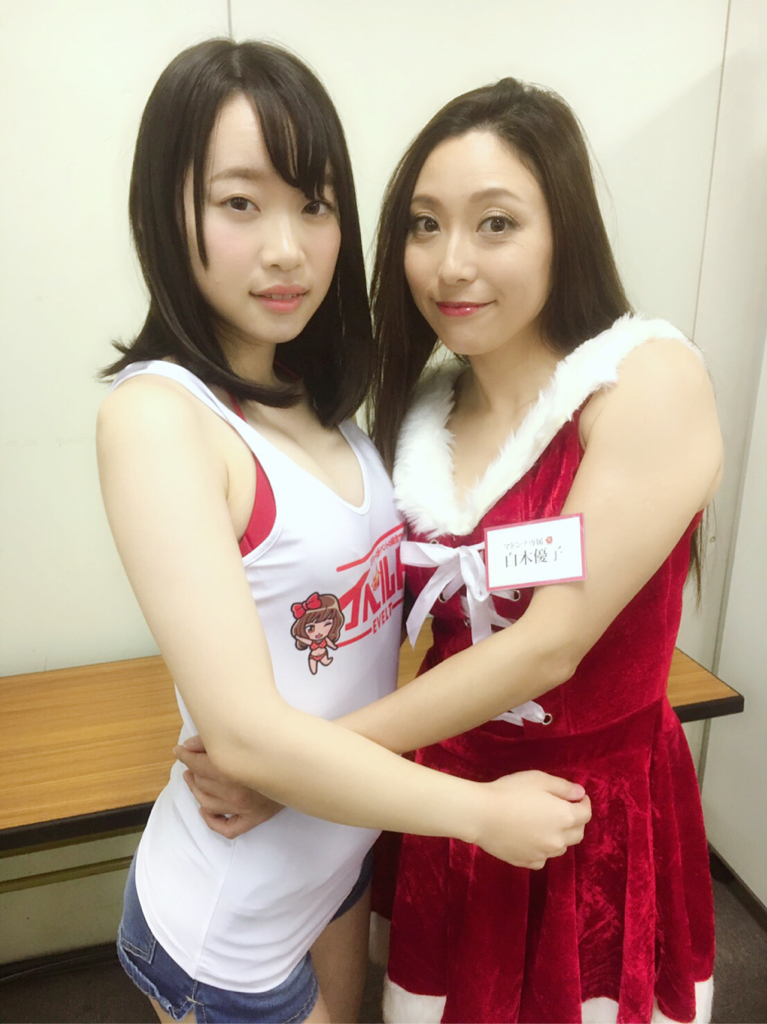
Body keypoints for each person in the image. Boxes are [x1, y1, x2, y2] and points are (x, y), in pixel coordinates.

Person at [183, 77, 721, 1023]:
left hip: (592, 810)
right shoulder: (417, 415)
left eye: (495, 224)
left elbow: (549, 645)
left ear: (564, 232)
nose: (449, 265)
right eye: (423, 226)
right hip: (443, 791)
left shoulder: (644, 380)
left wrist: (290, 769)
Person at [98, 42, 591, 1024]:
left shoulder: (320, 403)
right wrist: (480, 814)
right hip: (227, 930)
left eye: (314, 205)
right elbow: (245, 735)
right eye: (240, 203)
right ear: (163, 212)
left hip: (336, 858)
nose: (287, 249)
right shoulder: (157, 417)